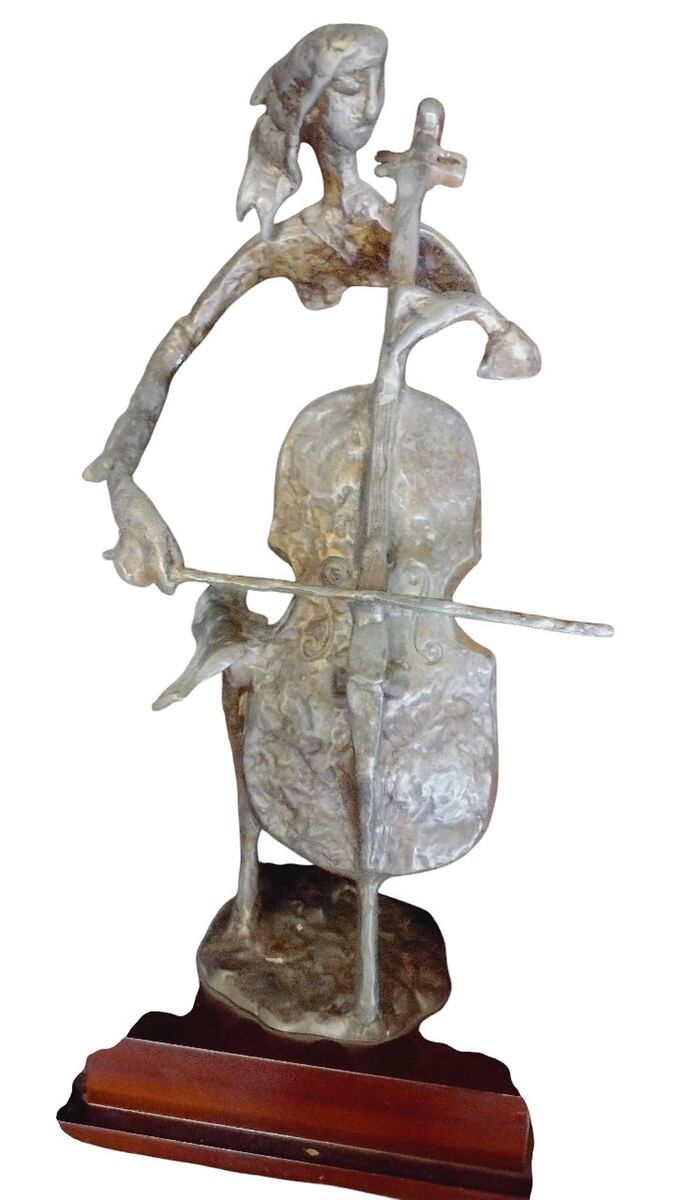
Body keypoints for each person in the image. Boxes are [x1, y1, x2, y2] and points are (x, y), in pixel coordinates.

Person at [84, 22, 522, 592]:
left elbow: (518, 353)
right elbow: (178, 346)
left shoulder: (416, 241)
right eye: (350, 86)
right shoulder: (284, 246)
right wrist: (122, 482)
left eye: (378, 81)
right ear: (308, 108)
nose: (370, 104)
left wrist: (481, 315)